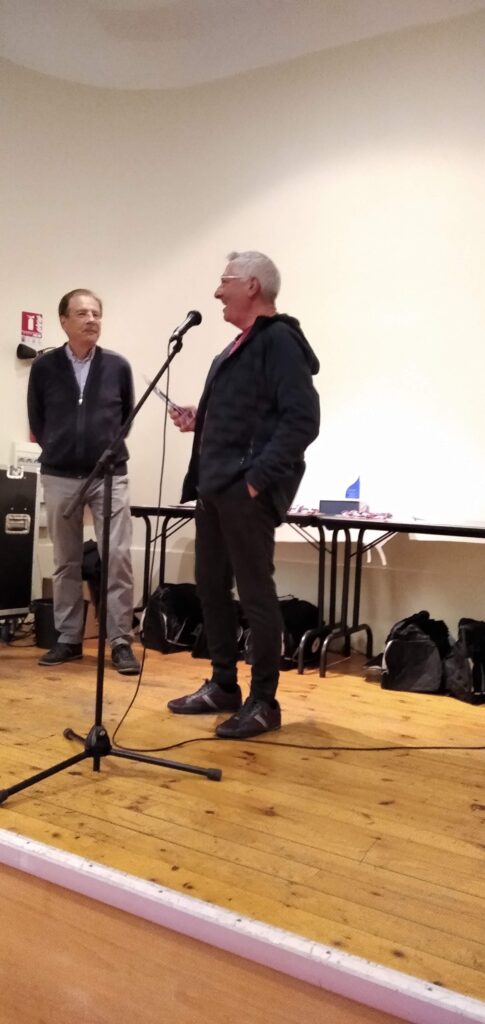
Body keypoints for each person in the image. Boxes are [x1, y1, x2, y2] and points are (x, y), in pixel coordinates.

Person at [167, 251, 320, 738]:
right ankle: (223, 685)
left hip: (243, 492)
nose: (217, 291)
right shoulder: (237, 347)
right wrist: (201, 420)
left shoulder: (279, 342)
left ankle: (264, 701)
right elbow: (248, 416)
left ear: (252, 285)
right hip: (215, 488)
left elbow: (302, 420)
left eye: (224, 281)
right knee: (211, 588)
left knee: (256, 595)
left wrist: (256, 480)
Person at [27, 288, 140, 675]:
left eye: (96, 313)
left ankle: (120, 640)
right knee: (66, 561)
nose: (91, 319)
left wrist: (103, 448)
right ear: (64, 321)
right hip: (60, 474)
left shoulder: (117, 366)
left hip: (109, 474)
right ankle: (69, 638)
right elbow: (37, 418)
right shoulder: (44, 367)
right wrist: (59, 448)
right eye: (82, 313)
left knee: (118, 558)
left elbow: (126, 417)